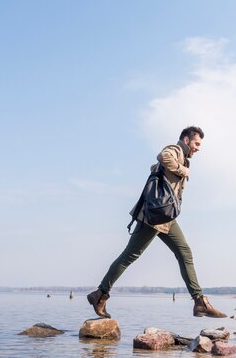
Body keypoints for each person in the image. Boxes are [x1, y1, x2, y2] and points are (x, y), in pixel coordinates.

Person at [87, 126, 226, 318]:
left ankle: (199, 301)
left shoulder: (184, 157)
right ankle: (100, 294)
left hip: (166, 218)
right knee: (130, 255)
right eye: (196, 143)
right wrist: (182, 170)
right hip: (153, 217)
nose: (198, 148)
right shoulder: (176, 150)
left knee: (184, 252)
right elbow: (163, 156)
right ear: (186, 140)